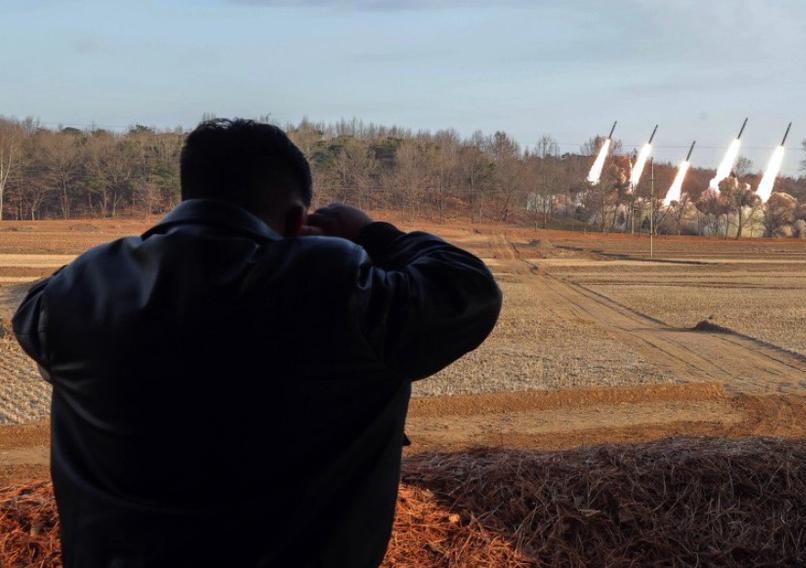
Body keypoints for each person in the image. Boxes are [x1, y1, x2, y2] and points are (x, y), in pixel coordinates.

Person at [13, 118, 502, 567]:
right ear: (295, 219)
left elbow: (35, 313)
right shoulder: (334, 290)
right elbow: (468, 290)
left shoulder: (76, 291)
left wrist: (164, 241)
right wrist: (373, 233)